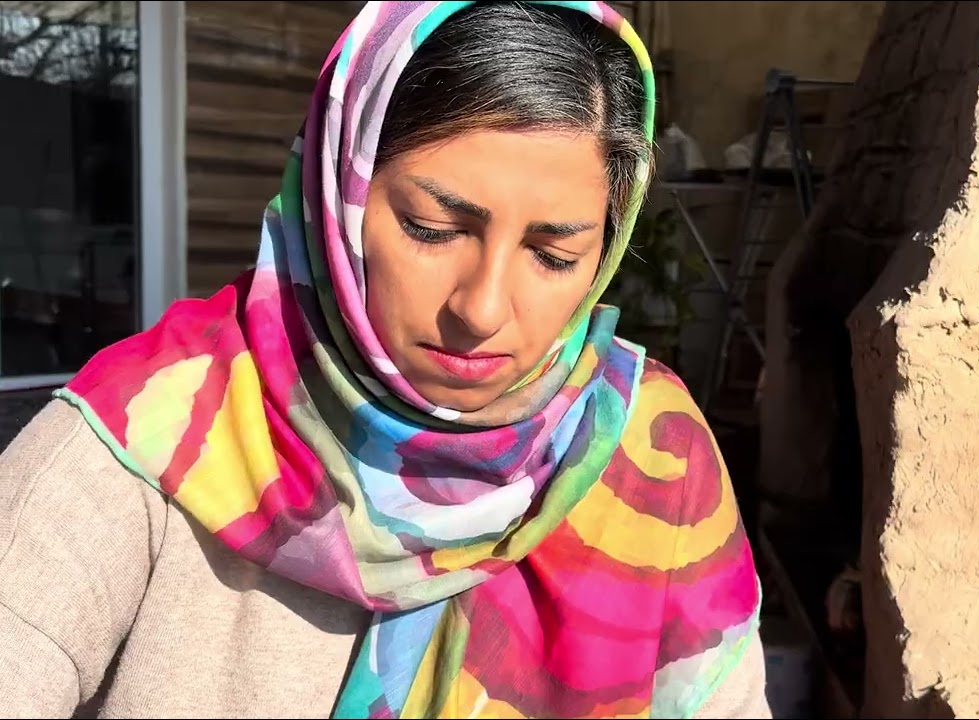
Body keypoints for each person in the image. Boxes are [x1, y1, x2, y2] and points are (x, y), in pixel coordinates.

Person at [0, 1, 771, 718]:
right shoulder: (146, 436)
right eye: (433, 228)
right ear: (339, 195)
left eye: (553, 252)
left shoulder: (651, 452)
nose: (482, 309)